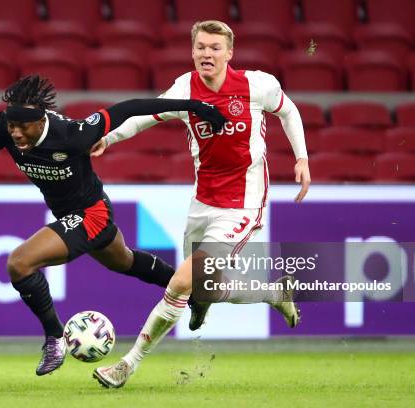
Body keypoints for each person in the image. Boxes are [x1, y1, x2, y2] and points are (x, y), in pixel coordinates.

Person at [0, 75, 226, 376]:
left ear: (41, 121)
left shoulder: (71, 134)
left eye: (22, 126)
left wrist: (193, 105)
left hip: (92, 213)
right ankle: (194, 291)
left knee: (19, 263)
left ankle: (54, 338)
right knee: (125, 261)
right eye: (11, 125)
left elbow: (131, 107)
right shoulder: (4, 127)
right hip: (70, 215)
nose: (14, 133)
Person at [92, 20, 311, 388]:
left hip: (242, 204)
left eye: (214, 48)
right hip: (203, 201)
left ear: (229, 53)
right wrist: (109, 139)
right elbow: (145, 116)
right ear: (192, 51)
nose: (206, 54)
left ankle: (127, 365)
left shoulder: (257, 85)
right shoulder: (185, 88)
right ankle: (273, 293)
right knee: (198, 286)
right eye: (200, 48)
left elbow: (289, 111)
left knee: (181, 282)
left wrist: (301, 158)